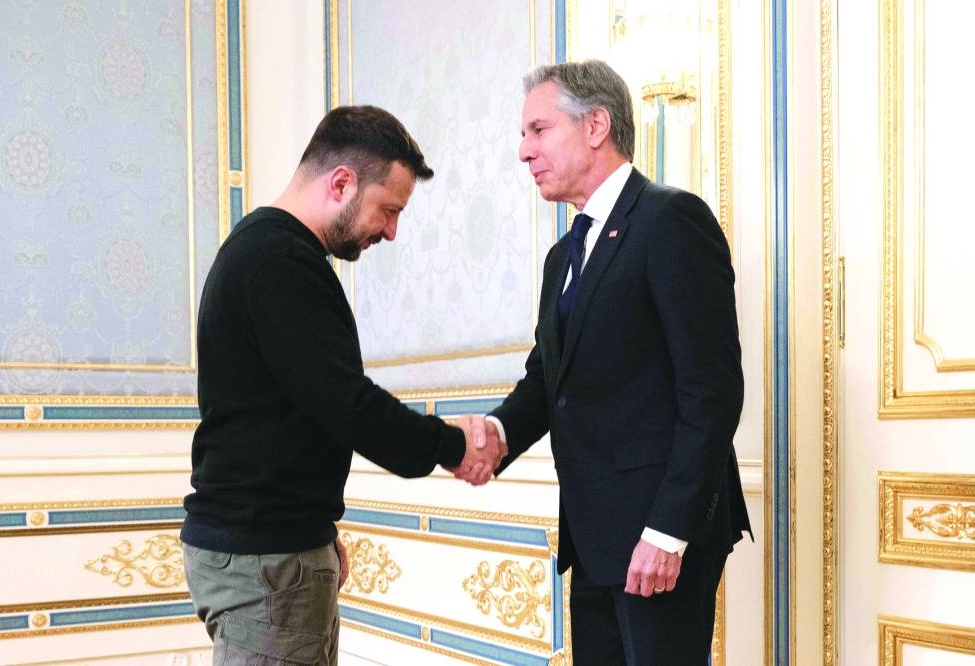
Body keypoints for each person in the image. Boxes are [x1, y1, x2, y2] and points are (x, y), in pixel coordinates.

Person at [181, 105, 505, 666]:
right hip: (266, 560)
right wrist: (453, 445)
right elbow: (345, 403)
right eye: (389, 210)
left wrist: (314, 531)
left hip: (275, 548)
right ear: (341, 183)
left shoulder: (268, 251)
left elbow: (286, 413)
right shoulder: (278, 261)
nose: (392, 231)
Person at [457, 61, 751, 664]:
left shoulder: (671, 220)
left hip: (660, 537)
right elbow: (549, 378)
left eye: (538, 130)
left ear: (596, 126)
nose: (523, 151)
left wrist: (669, 531)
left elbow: (712, 392)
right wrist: (497, 433)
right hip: (592, 538)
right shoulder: (562, 256)